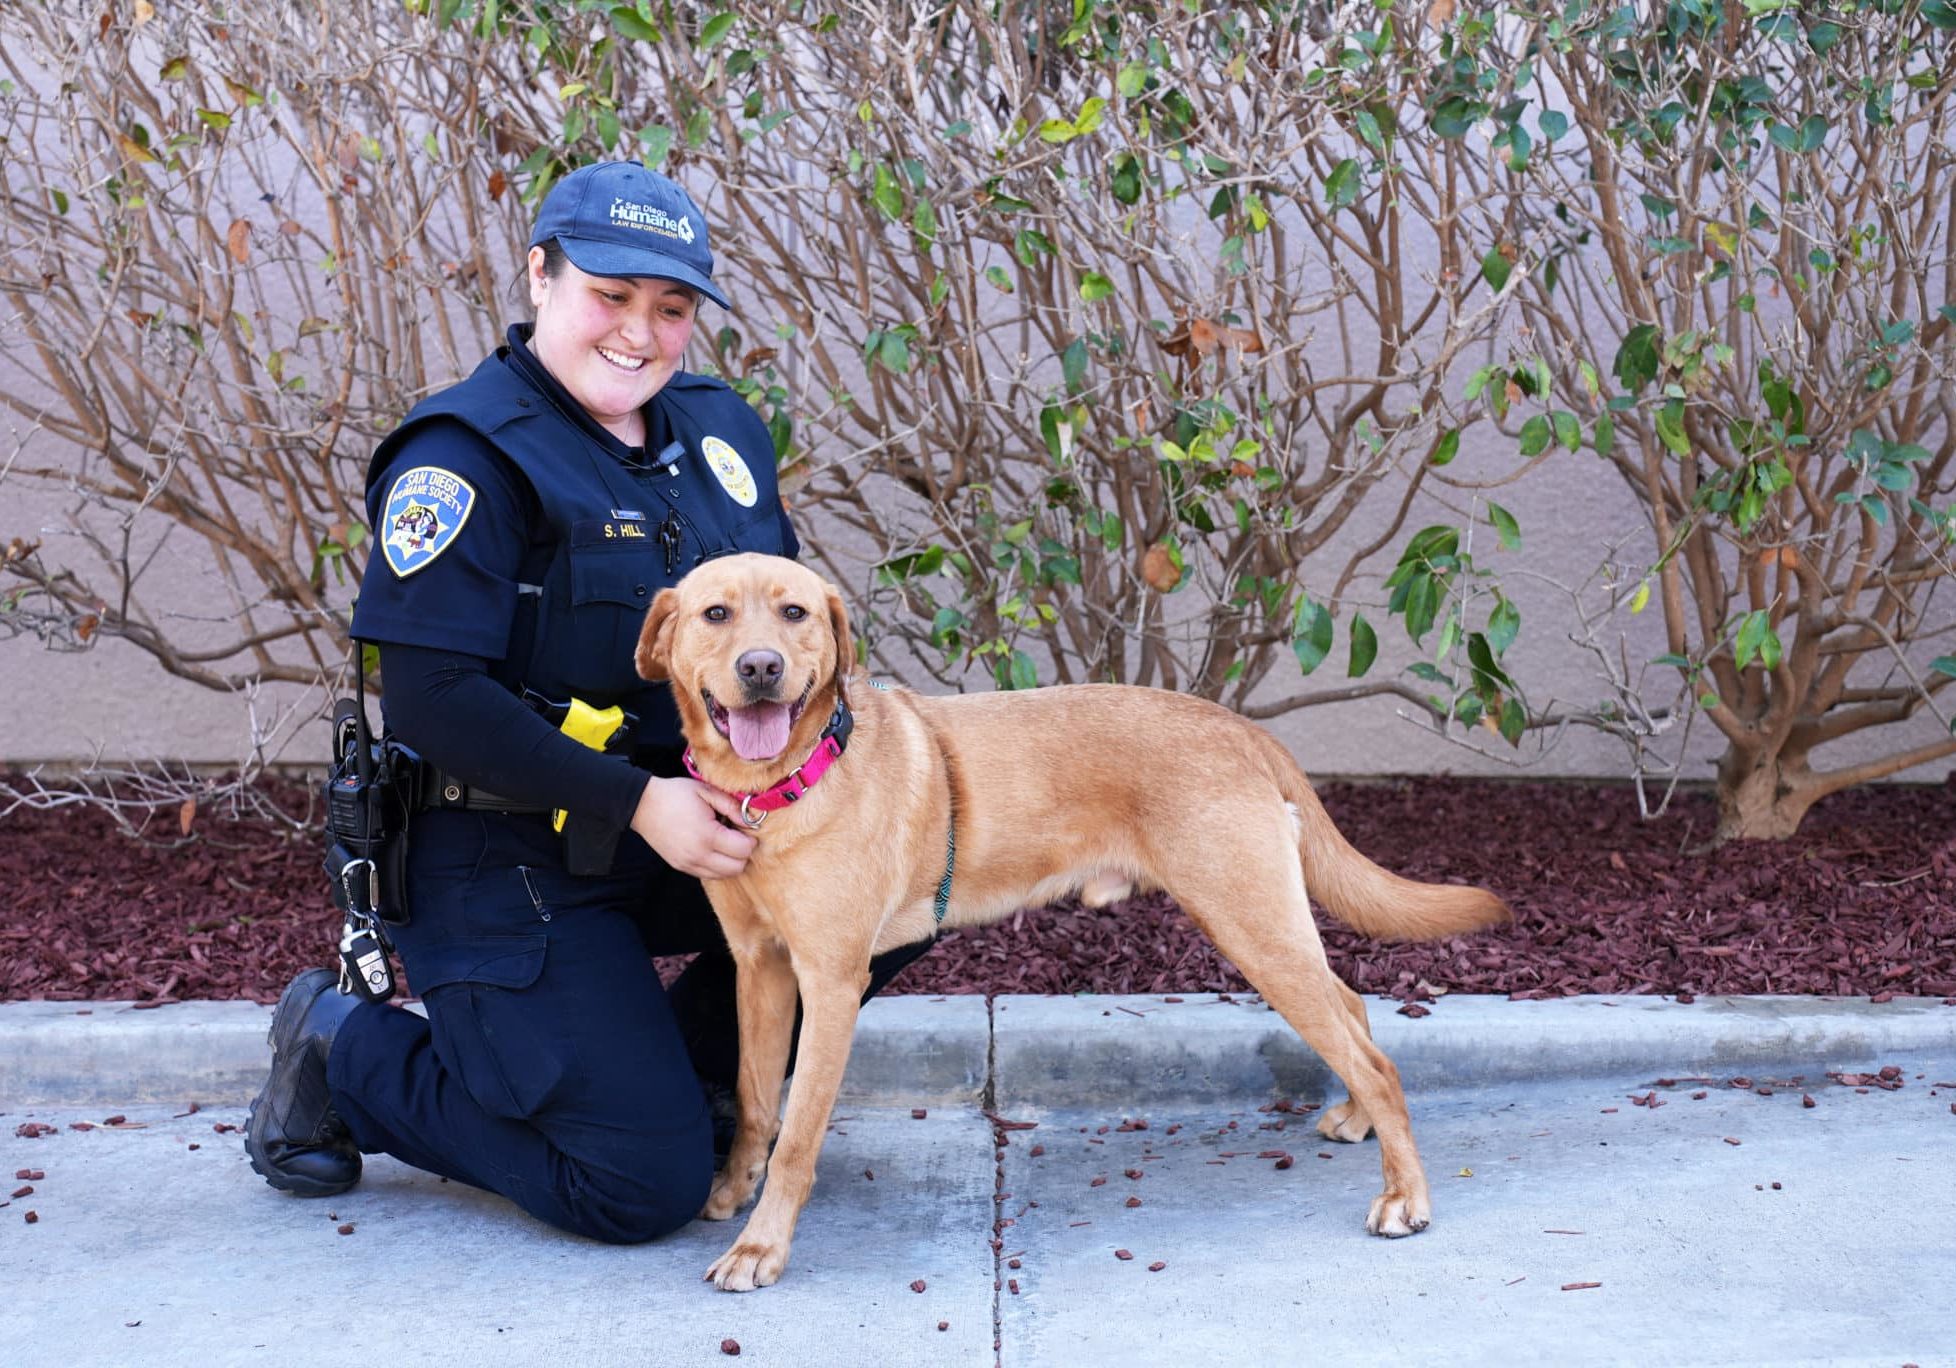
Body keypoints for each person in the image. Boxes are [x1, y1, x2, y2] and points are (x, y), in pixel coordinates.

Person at [243, 161, 933, 1244]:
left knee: (908, 875)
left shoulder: (720, 435)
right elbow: (430, 700)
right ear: (540, 277)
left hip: (686, 825)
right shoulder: (465, 456)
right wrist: (639, 802)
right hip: (499, 854)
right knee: (636, 1188)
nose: (639, 334)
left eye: (670, 308)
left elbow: (778, 641)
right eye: (610, 297)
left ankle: (679, 1084)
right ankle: (349, 1054)